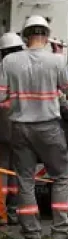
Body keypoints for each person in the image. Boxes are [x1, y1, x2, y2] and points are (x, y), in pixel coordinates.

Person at [0, 15, 68, 239]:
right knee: (61, 177)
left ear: (26, 37)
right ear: (46, 37)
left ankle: (32, 236)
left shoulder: (9, 62)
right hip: (48, 127)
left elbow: (0, 96)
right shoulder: (56, 61)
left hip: (19, 127)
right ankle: (60, 232)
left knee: (25, 179)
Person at [0, 32, 24, 226]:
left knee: (2, 168)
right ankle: (14, 212)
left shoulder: (2, 68)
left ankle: (1, 214)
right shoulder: (27, 67)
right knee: (17, 170)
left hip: (3, 125)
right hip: (22, 125)